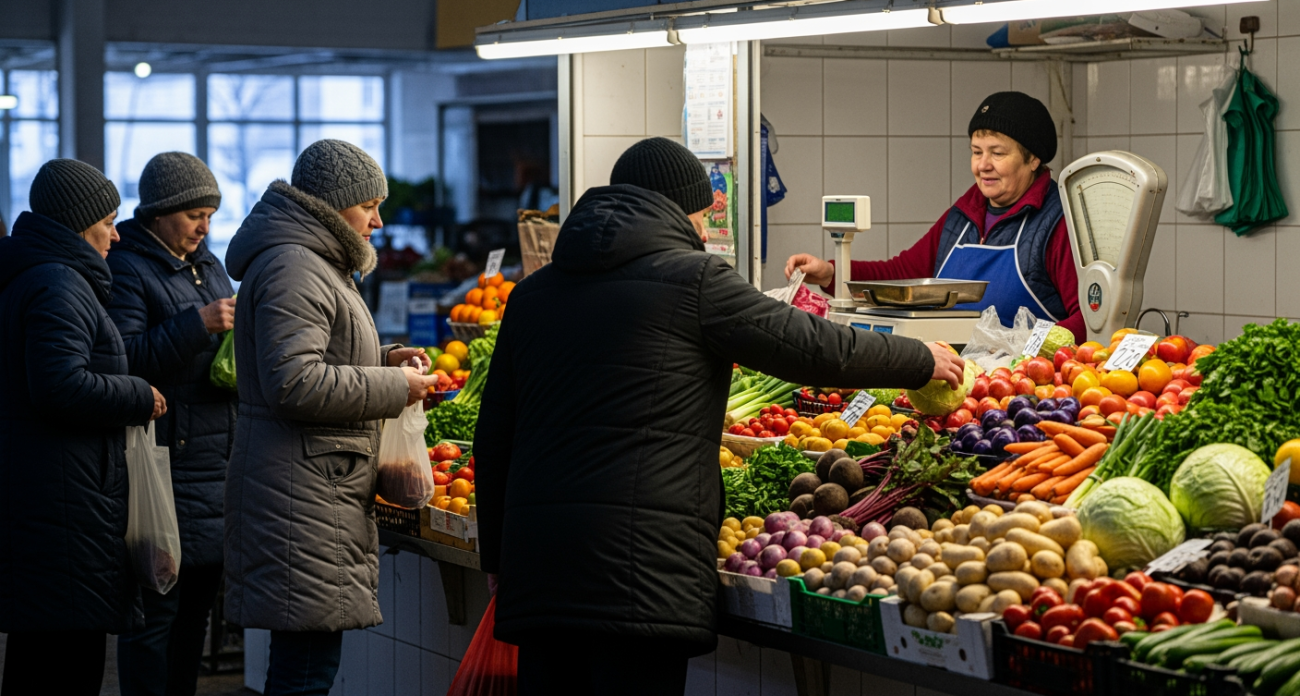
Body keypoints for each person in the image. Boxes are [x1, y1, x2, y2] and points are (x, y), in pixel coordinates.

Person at [474, 137, 963, 696]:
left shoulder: (531, 295)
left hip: (539, 573)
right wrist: (918, 359)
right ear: (676, 209)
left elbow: (495, 438)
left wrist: (496, 556)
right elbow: (810, 346)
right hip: (641, 576)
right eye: (703, 215)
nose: (706, 232)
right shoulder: (694, 279)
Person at [222, 139, 440, 696]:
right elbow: (294, 382)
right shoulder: (296, 266)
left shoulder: (316, 263)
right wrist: (395, 387)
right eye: (368, 206)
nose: (378, 221)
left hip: (313, 488)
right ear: (332, 204)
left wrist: (384, 361)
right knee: (305, 672)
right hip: (301, 493)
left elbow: (318, 359)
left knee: (306, 665)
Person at [0, 159, 167, 695]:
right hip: (64, 504)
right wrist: (138, 395)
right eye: (109, 222)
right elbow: (59, 384)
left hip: (50, 494)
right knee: (64, 663)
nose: (116, 235)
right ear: (77, 223)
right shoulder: (59, 283)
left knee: (40, 654)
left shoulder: (36, 275)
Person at [785, 91, 1086, 343]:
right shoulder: (964, 215)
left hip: (1024, 381)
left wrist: (1024, 353)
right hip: (956, 373)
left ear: (1033, 159)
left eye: (997, 153)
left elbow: (1088, 318)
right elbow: (902, 275)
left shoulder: (1057, 221)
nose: (983, 165)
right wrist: (831, 273)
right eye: (976, 152)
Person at [107, 152, 236, 696]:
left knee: (195, 617)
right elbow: (122, 360)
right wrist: (198, 324)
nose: (204, 227)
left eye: (209, 215)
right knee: (155, 616)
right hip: (165, 468)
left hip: (216, 466)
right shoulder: (127, 269)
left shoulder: (209, 265)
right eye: (193, 216)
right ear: (158, 213)